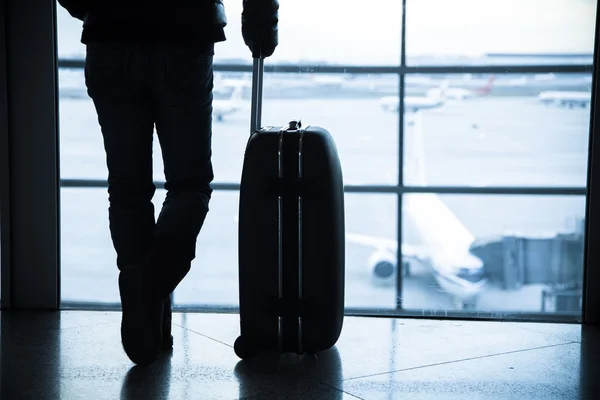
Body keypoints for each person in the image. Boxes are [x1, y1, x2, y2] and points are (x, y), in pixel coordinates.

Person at [57, 0, 279, 365]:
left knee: (128, 189)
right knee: (189, 185)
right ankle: (149, 285)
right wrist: (260, 26)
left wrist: (96, 7)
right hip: (185, 31)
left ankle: (146, 316)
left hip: (110, 36)